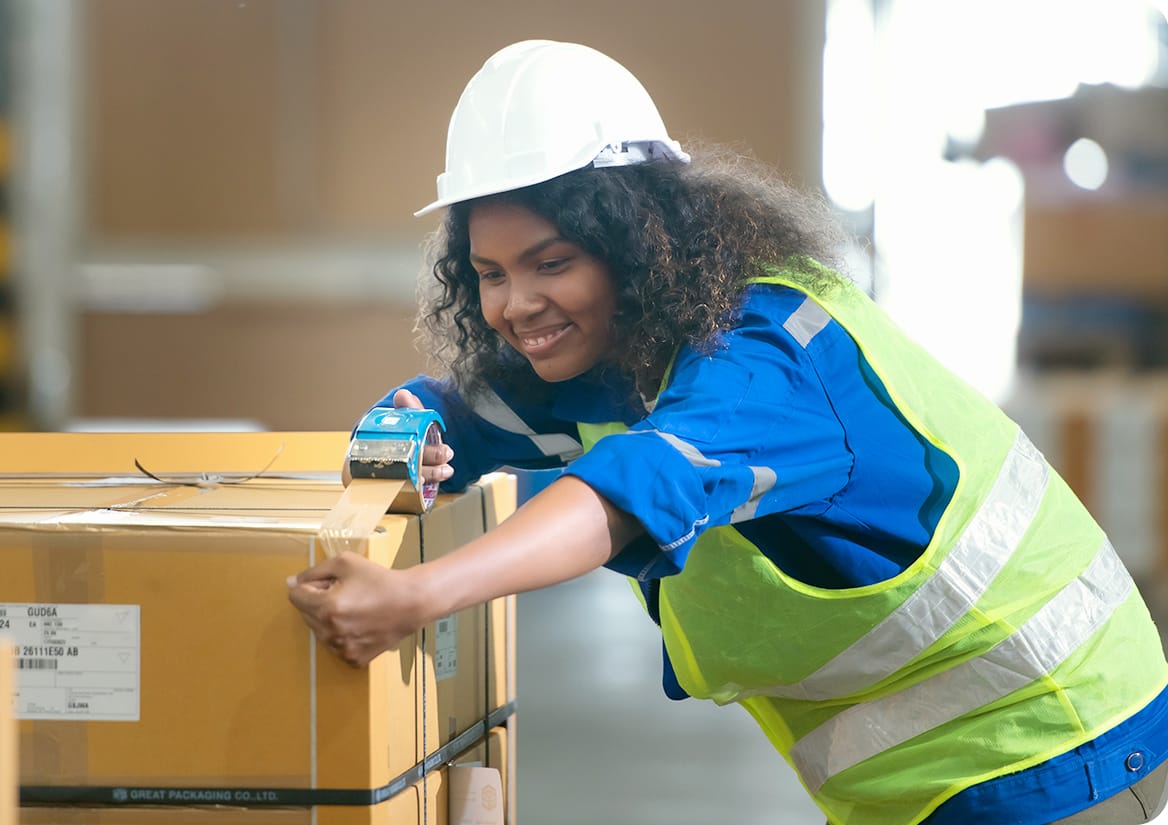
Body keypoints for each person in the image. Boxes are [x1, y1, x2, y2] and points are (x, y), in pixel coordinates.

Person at [287, 39, 1168, 825]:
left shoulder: (768, 358)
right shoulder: (616, 360)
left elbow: (631, 487)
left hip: (1054, 742)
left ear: (635, 241)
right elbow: (466, 407)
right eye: (489, 273)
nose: (517, 305)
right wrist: (404, 427)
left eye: (552, 262)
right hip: (928, 779)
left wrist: (420, 594)